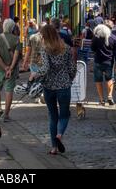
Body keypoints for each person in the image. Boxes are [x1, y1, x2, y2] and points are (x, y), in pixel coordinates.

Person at [35, 24, 77, 155]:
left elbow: (45, 68)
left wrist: (35, 74)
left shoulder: (45, 49)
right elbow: (72, 68)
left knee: (53, 117)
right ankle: (59, 134)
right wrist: (69, 79)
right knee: (64, 115)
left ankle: (53, 147)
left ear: (45, 36)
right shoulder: (67, 48)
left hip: (49, 87)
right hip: (64, 86)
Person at [0, 18, 20, 122]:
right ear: (12, 28)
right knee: (9, 90)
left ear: (3, 26)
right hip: (11, 71)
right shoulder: (16, 39)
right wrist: (10, 68)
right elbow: (16, 56)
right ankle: (6, 115)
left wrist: (4, 67)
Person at [91, 24, 116, 106]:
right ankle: (110, 95)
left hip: (98, 62)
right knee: (110, 79)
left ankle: (101, 99)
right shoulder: (114, 38)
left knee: (98, 80)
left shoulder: (96, 37)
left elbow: (92, 48)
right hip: (109, 63)